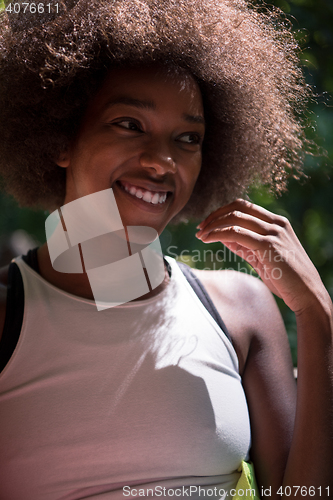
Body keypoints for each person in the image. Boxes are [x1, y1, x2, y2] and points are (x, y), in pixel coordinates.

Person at [0, 1, 332, 499]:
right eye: (129, 124)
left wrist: (317, 315)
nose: (162, 161)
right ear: (61, 138)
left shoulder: (240, 310)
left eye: (188, 138)